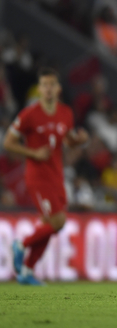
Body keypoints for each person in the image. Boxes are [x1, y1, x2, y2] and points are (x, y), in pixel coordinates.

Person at [5, 67, 89, 285]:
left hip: (56, 175)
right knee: (57, 221)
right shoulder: (29, 115)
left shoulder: (66, 113)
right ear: (39, 88)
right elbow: (8, 142)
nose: (48, 89)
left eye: (52, 84)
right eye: (44, 85)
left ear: (58, 88)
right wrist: (32, 153)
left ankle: (27, 271)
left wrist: (77, 141)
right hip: (37, 176)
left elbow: (67, 139)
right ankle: (21, 245)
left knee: (50, 225)